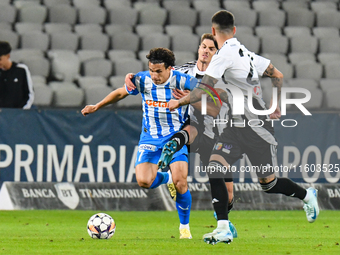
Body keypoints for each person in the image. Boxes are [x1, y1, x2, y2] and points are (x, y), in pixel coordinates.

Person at [168, 10, 319, 245]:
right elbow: (276, 74)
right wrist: (276, 105)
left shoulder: (223, 55)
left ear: (214, 30)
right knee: (215, 166)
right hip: (235, 126)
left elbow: (202, 90)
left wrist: (179, 101)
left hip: (257, 128)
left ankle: (308, 195)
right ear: (234, 30)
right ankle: (223, 227)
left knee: (269, 184)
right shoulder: (245, 53)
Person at [81, 47, 197, 239]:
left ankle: (184, 228)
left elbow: (207, 91)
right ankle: (165, 178)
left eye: (159, 71)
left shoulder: (182, 81)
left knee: (181, 182)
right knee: (144, 181)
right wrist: (97, 106)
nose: (154, 75)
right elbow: (120, 93)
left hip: (174, 137)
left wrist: (186, 99)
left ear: (170, 68)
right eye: (151, 70)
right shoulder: (142, 80)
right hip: (150, 137)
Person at [0, 41, 34, 109]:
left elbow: (29, 94)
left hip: (18, 115)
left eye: (0, 59)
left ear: (8, 56)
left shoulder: (21, 70)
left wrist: (20, 112)